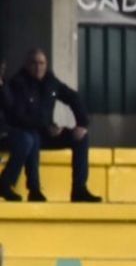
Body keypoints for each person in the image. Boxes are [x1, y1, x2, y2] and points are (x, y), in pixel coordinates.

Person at [2, 48, 100, 203]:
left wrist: (82, 123)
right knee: (31, 138)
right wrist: (47, 126)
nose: (38, 67)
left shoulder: (51, 82)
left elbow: (73, 97)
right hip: (26, 133)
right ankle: (34, 190)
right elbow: (18, 116)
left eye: (42, 63)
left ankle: (79, 189)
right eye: (34, 63)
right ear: (27, 65)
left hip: (47, 134)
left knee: (81, 137)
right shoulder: (18, 83)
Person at [0, 54, 44, 204]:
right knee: (25, 139)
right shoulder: (14, 83)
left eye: (3, 68)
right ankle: (5, 183)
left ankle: (34, 188)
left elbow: (11, 108)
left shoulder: (6, 85)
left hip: (5, 131)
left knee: (33, 136)